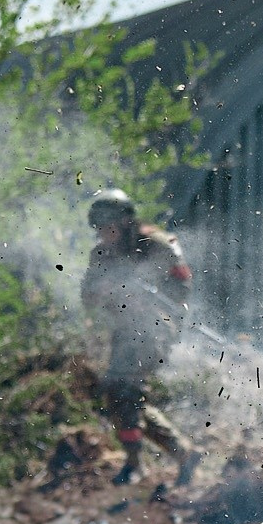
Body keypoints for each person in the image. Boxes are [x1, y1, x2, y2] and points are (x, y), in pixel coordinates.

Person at [81, 189, 200, 487]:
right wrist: (105, 291)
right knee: (121, 396)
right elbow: (87, 295)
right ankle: (182, 453)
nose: (103, 233)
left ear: (125, 222)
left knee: (122, 388)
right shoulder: (100, 255)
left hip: (157, 326)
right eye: (98, 228)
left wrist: (148, 297)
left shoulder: (156, 245)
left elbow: (182, 286)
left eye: (108, 226)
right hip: (124, 330)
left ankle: (136, 463)